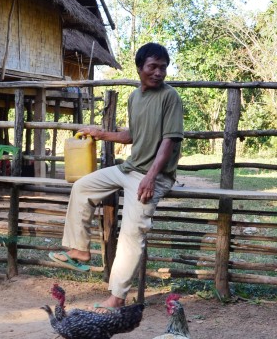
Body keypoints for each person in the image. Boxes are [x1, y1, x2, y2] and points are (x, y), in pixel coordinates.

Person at [49, 42, 184, 307]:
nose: (158, 73)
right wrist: (101, 134)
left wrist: (150, 177)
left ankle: (117, 297)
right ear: (139, 69)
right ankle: (80, 250)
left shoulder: (170, 97)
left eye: (163, 68)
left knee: (132, 233)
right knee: (83, 187)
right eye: (153, 67)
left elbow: (169, 141)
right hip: (129, 168)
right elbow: (132, 135)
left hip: (153, 175)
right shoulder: (135, 98)